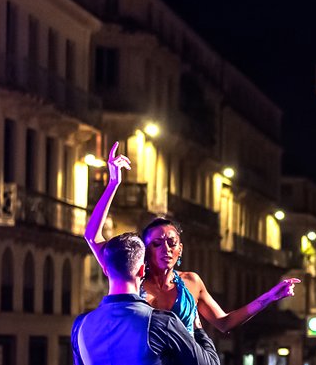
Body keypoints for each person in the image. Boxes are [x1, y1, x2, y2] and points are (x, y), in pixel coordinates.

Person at [85, 142, 300, 335]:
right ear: (145, 250)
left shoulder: (191, 282)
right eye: (157, 244)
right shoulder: (131, 278)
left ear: (181, 249)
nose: (165, 249)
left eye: (171, 242)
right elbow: (92, 236)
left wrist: (270, 297)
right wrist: (113, 182)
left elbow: (224, 322)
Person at [72, 232, 219, 365]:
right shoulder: (161, 322)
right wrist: (198, 330)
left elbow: (91, 234)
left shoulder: (80, 326)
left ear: (105, 269)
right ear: (142, 270)